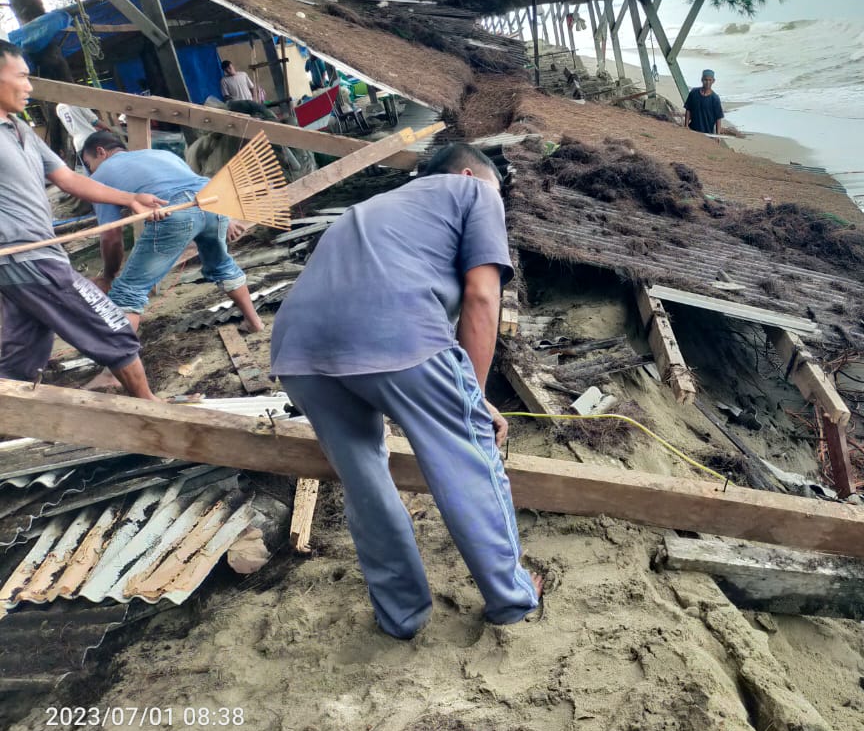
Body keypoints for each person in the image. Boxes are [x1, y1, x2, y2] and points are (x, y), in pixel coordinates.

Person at [270, 143, 542, 639]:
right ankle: (512, 597)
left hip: (298, 350)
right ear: (468, 174)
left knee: (366, 484)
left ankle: (401, 617)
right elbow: (483, 296)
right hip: (395, 330)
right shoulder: (476, 193)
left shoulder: (372, 208)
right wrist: (476, 399)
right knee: (467, 457)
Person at [0, 40, 167, 400]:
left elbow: (68, 179)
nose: (29, 87)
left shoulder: (21, 131)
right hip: (24, 255)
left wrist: (129, 198)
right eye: (22, 77)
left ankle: (9, 417)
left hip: (34, 254)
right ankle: (151, 409)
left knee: (22, 351)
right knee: (109, 325)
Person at [78, 132, 263, 334]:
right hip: (212, 200)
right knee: (222, 265)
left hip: (174, 211)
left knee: (127, 293)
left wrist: (108, 276)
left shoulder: (99, 177)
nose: (90, 171)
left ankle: (121, 354)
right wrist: (226, 219)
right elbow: (192, 187)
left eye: (89, 164)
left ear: (101, 152)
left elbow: (111, 237)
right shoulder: (160, 154)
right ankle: (254, 322)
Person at [683, 68, 724, 136]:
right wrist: (686, 125)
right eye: (705, 80)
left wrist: (718, 135)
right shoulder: (693, 93)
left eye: (710, 80)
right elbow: (688, 109)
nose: (707, 82)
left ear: (713, 81)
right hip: (692, 130)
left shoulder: (715, 98)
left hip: (707, 133)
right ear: (702, 80)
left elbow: (718, 118)